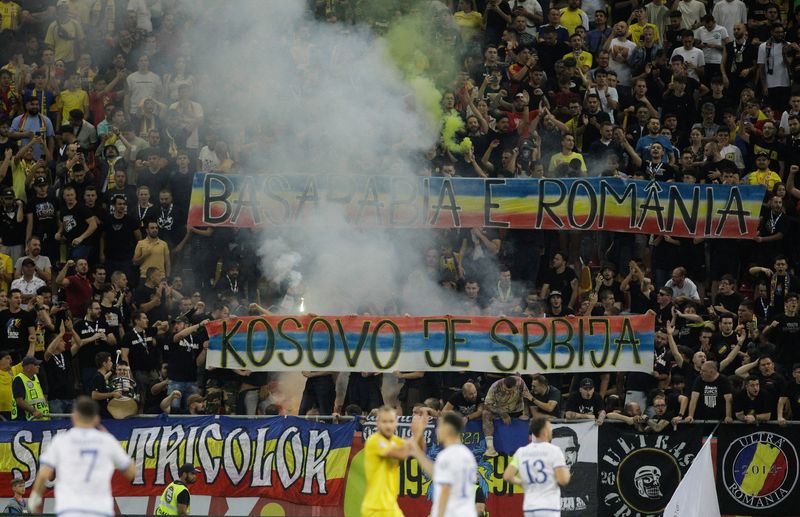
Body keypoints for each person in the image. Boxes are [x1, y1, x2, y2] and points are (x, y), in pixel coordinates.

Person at [28, 397, 136, 515]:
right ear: (96, 419)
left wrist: (35, 497)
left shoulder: (61, 441)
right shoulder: (106, 441)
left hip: (70, 509)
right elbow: (131, 473)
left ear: (74, 417)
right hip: (100, 510)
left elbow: (44, 473)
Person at [408, 411, 478, 517]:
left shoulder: (447, 455)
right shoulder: (467, 455)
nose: (437, 430)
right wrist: (417, 452)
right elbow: (437, 474)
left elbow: (446, 490)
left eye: (440, 426)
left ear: (447, 428)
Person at [361, 405, 425, 517]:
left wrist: (419, 434)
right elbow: (401, 454)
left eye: (391, 421)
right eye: (384, 421)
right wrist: (416, 434)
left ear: (396, 422)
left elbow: (420, 449)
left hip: (391, 507)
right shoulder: (374, 441)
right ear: (378, 423)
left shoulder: (395, 441)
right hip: (375, 509)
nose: (388, 425)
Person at [503, 416, 571, 516]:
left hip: (529, 507)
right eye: (549, 427)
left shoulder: (521, 452)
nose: (551, 430)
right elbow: (563, 480)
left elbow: (507, 476)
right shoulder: (554, 450)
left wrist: (522, 483)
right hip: (548, 506)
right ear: (544, 431)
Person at [10, 355, 48, 421]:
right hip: (27, 419)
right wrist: (34, 411)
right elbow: (19, 401)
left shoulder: (36, 377)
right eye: (35, 364)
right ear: (28, 367)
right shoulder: (18, 379)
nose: (38, 366)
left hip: (41, 418)